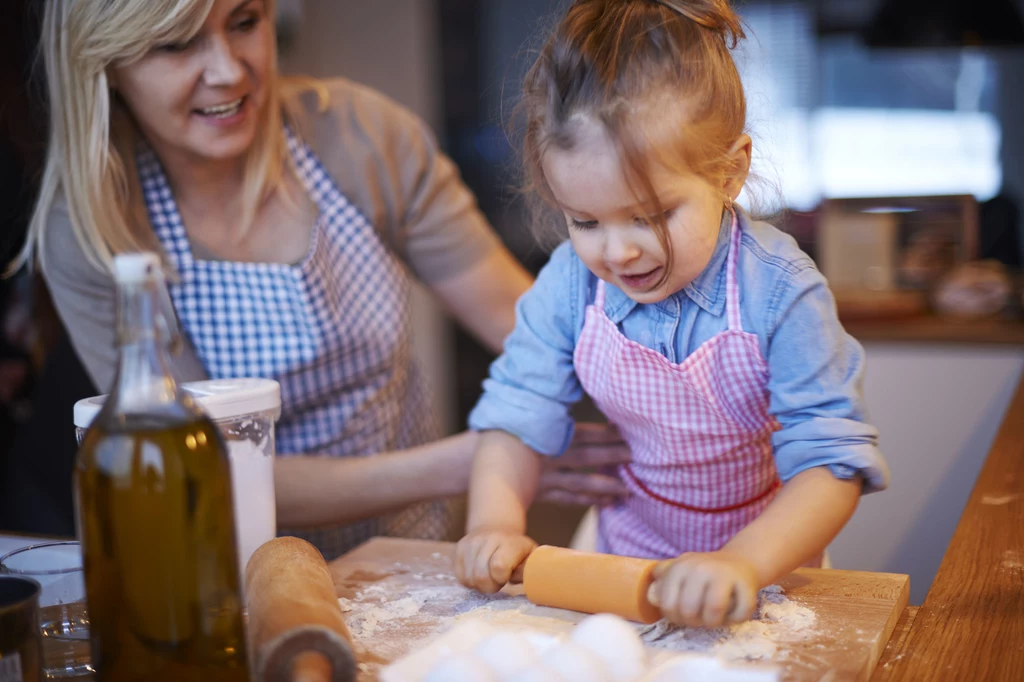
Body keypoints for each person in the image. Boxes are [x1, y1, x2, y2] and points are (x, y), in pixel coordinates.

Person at [15, 0, 628, 558]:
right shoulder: (93, 232)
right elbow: (212, 468)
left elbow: (538, 330)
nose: (229, 71)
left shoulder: (362, 137)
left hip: (407, 553)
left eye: (245, 21)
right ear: (106, 62)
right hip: (231, 577)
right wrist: (487, 457)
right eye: (176, 45)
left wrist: (696, 383)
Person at [454, 0, 890, 628]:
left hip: (765, 568)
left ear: (729, 171)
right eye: (585, 221)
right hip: (621, 557)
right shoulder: (572, 287)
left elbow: (830, 463)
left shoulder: (780, 294)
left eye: (651, 215)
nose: (619, 250)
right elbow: (517, 415)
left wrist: (740, 563)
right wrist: (493, 522)